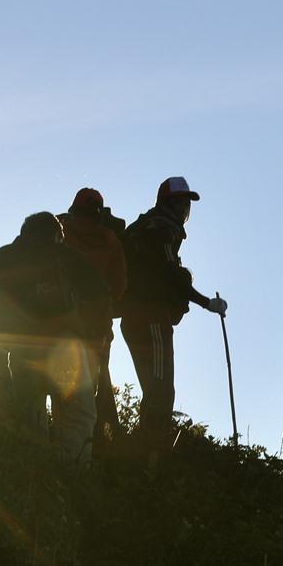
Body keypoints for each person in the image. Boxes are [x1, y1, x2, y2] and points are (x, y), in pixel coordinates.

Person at [0, 213, 111, 465]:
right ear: (56, 234)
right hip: (65, 348)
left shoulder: (7, 261)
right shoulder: (66, 256)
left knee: (30, 418)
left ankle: (34, 477)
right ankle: (72, 476)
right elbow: (101, 293)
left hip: (22, 350)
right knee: (77, 415)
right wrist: (97, 336)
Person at [118, 177, 227, 450]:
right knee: (161, 389)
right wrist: (205, 303)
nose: (184, 208)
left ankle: (144, 449)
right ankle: (151, 453)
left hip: (134, 317)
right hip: (151, 317)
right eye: (178, 201)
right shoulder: (162, 229)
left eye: (186, 202)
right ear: (166, 203)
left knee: (155, 388)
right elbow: (168, 274)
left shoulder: (144, 227)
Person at [58, 188, 128, 449]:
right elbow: (120, 286)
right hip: (99, 326)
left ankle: (61, 443)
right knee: (96, 382)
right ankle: (98, 442)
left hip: (63, 322)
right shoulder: (110, 240)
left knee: (62, 384)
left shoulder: (61, 233)